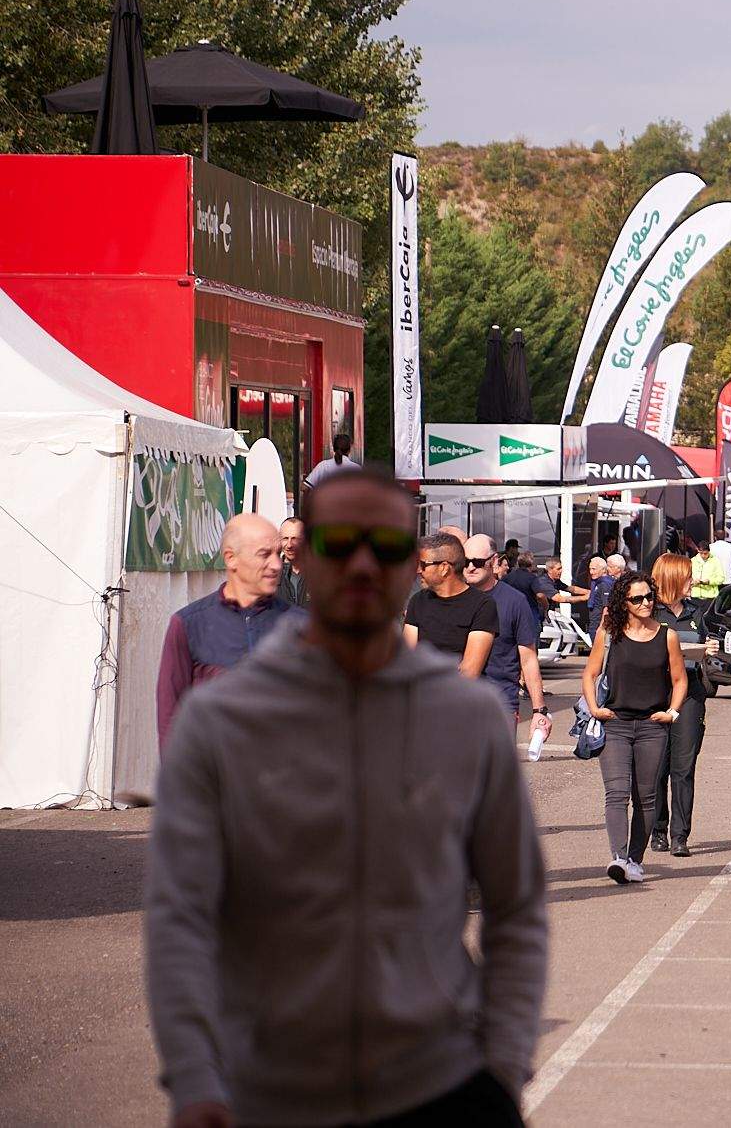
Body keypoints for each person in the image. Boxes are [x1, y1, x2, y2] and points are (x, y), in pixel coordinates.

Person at [144, 465, 545, 1127]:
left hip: (437, 1081)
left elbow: (518, 906)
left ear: (411, 564)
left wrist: (503, 1063)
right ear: (306, 554)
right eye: (339, 542)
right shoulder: (222, 720)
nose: (362, 561)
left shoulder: (466, 719)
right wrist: (194, 1076)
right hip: (272, 1087)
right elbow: (180, 915)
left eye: (385, 546)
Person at [156, 513, 301, 747]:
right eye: (264, 554)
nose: (276, 564)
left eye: (277, 554)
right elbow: (170, 721)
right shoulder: (189, 625)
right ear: (231, 558)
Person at [581, 569, 688, 884]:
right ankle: (618, 857)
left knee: (647, 796)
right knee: (616, 793)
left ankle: (634, 860)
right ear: (622, 603)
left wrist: (672, 712)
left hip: (652, 726)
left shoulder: (668, 634)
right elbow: (589, 674)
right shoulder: (609, 633)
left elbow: (680, 679)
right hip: (615, 724)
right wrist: (595, 707)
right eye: (637, 598)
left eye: (649, 596)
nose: (645, 602)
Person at [462, 536, 551, 744]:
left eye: (477, 562)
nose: (470, 568)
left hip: (500, 703)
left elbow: (528, 659)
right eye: (465, 562)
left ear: (493, 561)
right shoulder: (454, 599)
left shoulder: (514, 601)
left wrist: (539, 710)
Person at [648, 552, 708, 857]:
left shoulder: (697, 612)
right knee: (656, 768)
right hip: (655, 695)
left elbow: (707, 644)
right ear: (672, 578)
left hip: (691, 694)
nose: (693, 581)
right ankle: (657, 829)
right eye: (688, 576)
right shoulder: (648, 611)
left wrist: (706, 649)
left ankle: (680, 835)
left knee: (683, 769)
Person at [404, 533, 498, 679]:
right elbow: (406, 658)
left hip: (460, 698)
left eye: (423, 564)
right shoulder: (418, 601)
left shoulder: (483, 606)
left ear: (444, 568)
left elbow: (469, 672)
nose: (418, 570)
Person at [276, 516, 307, 608]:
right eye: (285, 538)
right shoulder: (270, 575)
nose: (289, 545)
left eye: (295, 539)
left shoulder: (320, 573)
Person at [690, 540, 728, 608]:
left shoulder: (715, 561)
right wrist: (692, 582)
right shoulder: (693, 561)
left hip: (710, 597)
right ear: (698, 551)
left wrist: (709, 581)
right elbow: (687, 577)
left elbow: (721, 578)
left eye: (705, 553)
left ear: (709, 551)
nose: (703, 556)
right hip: (695, 596)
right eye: (701, 553)